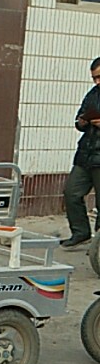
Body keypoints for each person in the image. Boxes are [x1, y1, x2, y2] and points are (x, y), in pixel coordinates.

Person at [62, 57, 100, 248]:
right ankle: (80, 232)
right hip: (86, 154)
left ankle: (98, 248)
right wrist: (82, 122)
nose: (97, 82)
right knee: (71, 192)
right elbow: (79, 118)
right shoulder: (93, 94)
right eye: (94, 78)